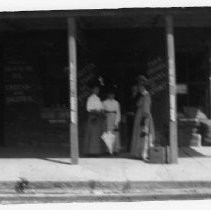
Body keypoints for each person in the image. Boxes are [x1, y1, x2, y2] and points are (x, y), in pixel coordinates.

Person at [130, 75, 155, 161]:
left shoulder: (146, 96)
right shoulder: (141, 96)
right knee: (140, 135)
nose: (139, 88)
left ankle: (144, 153)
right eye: (139, 86)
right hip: (139, 116)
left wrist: (144, 119)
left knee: (144, 135)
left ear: (143, 87)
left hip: (144, 117)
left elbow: (146, 109)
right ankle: (139, 153)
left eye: (140, 86)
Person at [83, 83, 106, 156]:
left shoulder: (98, 98)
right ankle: (91, 151)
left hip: (99, 117)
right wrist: (97, 112)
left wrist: (102, 113)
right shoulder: (90, 98)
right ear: (93, 90)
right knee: (92, 134)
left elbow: (101, 108)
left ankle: (97, 151)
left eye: (98, 89)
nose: (97, 91)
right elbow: (89, 108)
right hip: (93, 116)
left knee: (98, 134)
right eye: (96, 89)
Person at [103, 88, 121, 154]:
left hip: (114, 118)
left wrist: (117, 122)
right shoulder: (104, 102)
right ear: (108, 95)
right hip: (107, 118)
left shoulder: (116, 102)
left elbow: (118, 112)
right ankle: (108, 149)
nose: (111, 96)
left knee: (115, 134)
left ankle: (116, 149)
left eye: (113, 94)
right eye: (110, 94)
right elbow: (102, 112)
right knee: (108, 134)